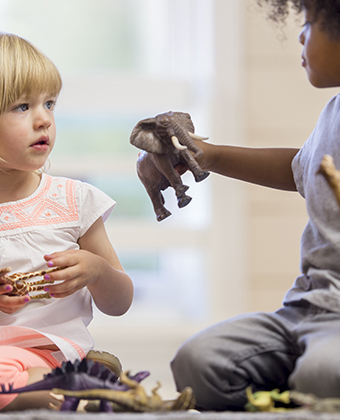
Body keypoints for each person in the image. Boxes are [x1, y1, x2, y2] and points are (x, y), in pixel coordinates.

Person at [171, 0, 340, 411]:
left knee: (322, 373)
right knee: (199, 362)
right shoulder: (333, 112)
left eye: (310, 24)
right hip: (306, 308)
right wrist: (208, 155)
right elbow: (298, 169)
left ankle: (309, 382)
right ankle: (297, 389)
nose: (300, 35)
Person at [0, 33, 134, 411]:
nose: (44, 119)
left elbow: (120, 301)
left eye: (49, 104)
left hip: (47, 351)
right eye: (22, 107)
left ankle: (74, 387)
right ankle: (83, 388)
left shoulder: (73, 200)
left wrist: (97, 271)